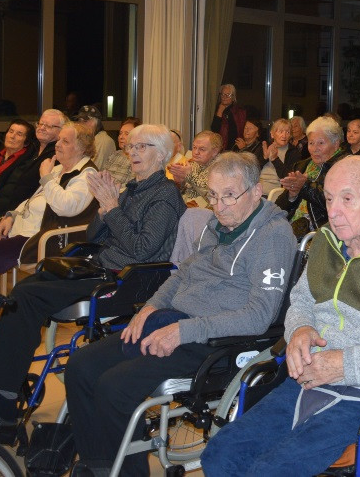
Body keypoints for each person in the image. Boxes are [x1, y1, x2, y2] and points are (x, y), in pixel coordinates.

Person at [200, 156, 360, 476]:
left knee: (271, 470)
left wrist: (345, 365)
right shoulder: (326, 240)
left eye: (348, 199)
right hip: (312, 378)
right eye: (329, 198)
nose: (334, 211)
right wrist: (300, 328)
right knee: (221, 454)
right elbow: (301, 302)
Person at [66, 152, 297, 477]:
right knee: (81, 365)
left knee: (114, 387)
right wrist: (151, 307)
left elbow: (259, 316)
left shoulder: (273, 236)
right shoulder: (217, 224)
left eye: (229, 196)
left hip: (215, 342)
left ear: (256, 191)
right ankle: (99, 464)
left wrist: (184, 331)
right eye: (213, 196)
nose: (219, 206)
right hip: (174, 322)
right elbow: (183, 273)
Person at [0, 124, 187, 432]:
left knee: (27, 297)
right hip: (102, 267)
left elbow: (142, 250)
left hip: (129, 280)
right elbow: (93, 236)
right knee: (24, 290)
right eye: (132, 146)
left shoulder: (165, 196)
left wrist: (112, 208)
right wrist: (104, 208)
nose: (133, 152)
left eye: (142, 147)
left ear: (163, 155)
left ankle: (0, 403)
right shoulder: (133, 188)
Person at [0, 122, 99, 297]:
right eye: (58, 140)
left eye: (65, 141)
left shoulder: (87, 175)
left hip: (41, 236)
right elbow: (33, 199)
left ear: (82, 148)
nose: (57, 144)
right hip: (21, 226)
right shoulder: (58, 169)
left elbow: (66, 207)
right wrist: (11, 215)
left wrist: (46, 178)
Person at [0, 109, 66, 221]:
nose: (42, 128)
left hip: (15, 215)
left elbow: (34, 192)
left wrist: (11, 215)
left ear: (60, 131)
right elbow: (9, 180)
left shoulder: (56, 157)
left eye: (49, 126)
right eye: (40, 123)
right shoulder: (32, 149)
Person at [275, 116, 348, 239]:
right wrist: (292, 194)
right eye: (311, 143)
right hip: (291, 227)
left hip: (321, 232)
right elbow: (279, 207)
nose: (314, 149)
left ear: (336, 144)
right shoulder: (302, 166)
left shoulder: (345, 167)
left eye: (321, 143)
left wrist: (304, 186)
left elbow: (333, 203)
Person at [0, 118, 35, 200]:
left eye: (19, 134)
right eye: (11, 131)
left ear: (26, 142)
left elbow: (10, 191)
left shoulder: (24, 162)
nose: (12, 136)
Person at [168, 130, 222, 206]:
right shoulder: (191, 164)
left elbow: (213, 197)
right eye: (194, 147)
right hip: (187, 208)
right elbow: (184, 193)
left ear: (215, 152)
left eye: (202, 149)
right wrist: (179, 182)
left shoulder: (221, 169)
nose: (196, 152)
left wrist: (190, 175)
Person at [259, 118, 303, 196]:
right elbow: (252, 171)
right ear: (272, 134)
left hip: (276, 192)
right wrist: (264, 158)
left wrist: (275, 159)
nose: (284, 135)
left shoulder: (293, 152)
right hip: (257, 188)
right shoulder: (264, 147)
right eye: (280, 132)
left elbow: (289, 178)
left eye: (287, 132)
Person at [101, 117, 141, 191]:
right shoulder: (114, 155)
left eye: (126, 134)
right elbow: (102, 176)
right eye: (120, 133)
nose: (121, 137)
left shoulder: (137, 159)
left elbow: (131, 186)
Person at [76, 105, 116, 170]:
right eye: (80, 121)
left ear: (97, 122)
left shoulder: (103, 141)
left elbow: (93, 169)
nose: (81, 124)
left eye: (85, 121)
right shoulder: (88, 140)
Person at [212, 84, 246, 151]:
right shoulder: (216, 109)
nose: (224, 97)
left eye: (228, 95)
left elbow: (241, 129)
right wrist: (220, 111)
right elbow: (214, 129)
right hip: (220, 147)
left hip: (236, 147)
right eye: (222, 94)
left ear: (233, 97)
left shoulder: (239, 111)